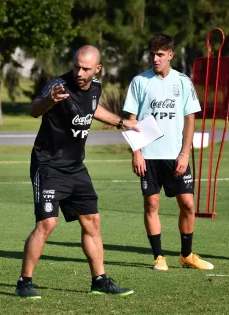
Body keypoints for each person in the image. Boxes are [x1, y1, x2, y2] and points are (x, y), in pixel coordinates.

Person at [16, 45, 139, 299]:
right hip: (48, 165)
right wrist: (49, 101)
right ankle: (24, 281)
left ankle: (100, 280)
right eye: (76, 66)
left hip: (75, 167)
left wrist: (121, 122)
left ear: (97, 69)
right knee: (47, 223)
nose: (79, 72)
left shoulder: (95, 87)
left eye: (85, 68)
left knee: (92, 221)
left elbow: (92, 109)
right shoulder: (57, 86)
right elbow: (34, 109)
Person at [122, 34, 214, 272]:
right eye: (152, 54)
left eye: (160, 55)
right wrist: (136, 152)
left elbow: (190, 118)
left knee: (187, 204)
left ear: (170, 55)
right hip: (148, 156)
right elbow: (130, 120)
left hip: (175, 156)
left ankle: (186, 255)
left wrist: (185, 152)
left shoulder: (183, 82)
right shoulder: (140, 81)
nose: (155, 59)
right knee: (152, 204)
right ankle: (158, 256)